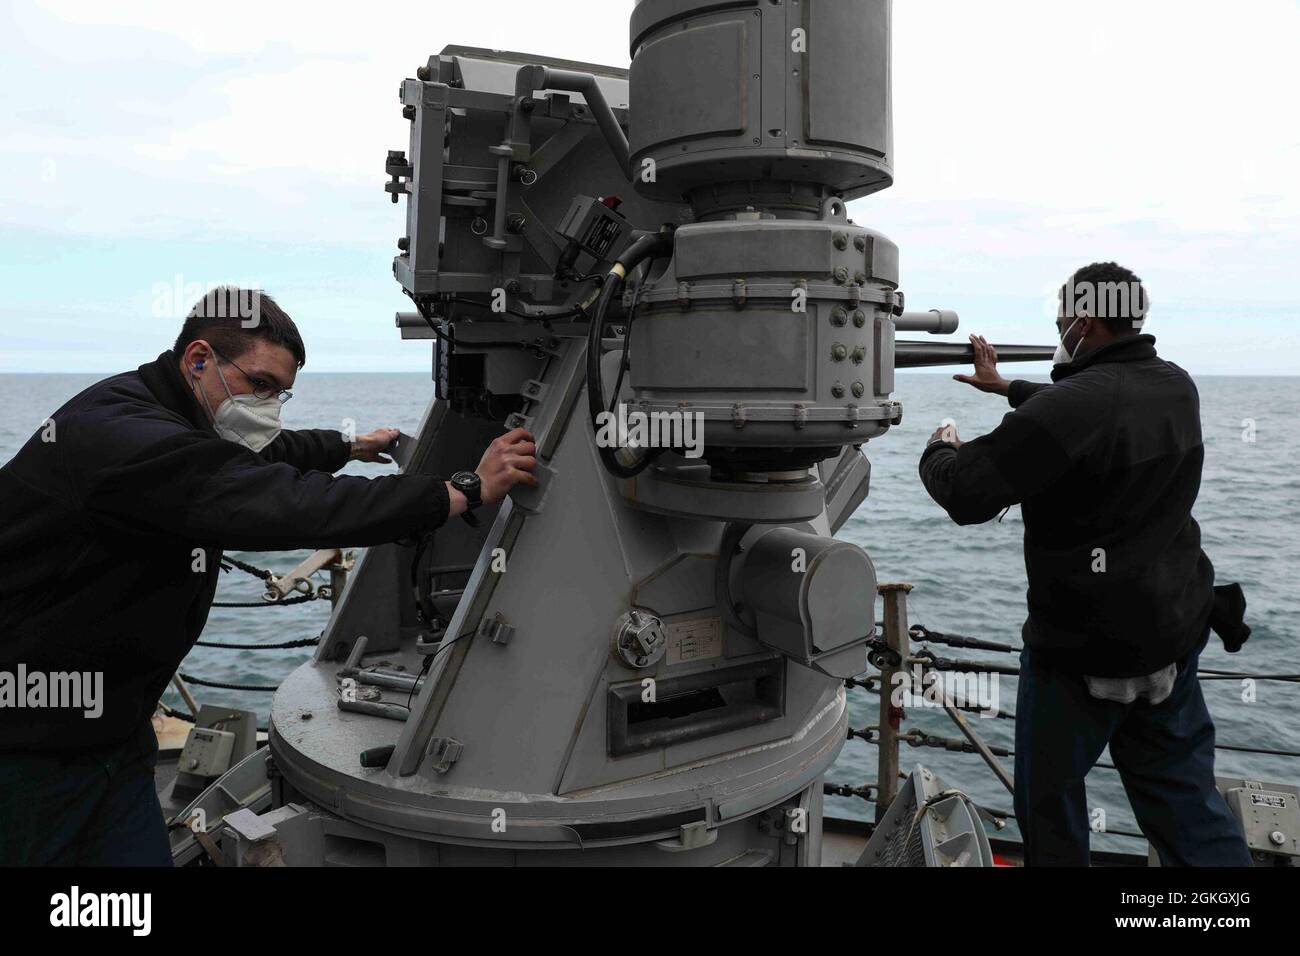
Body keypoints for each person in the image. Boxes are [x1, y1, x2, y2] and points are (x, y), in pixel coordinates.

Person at [0, 287, 537, 865]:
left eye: (281, 393)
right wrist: (459, 492)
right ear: (199, 359)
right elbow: (277, 502)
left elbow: (258, 454)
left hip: (113, 730)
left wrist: (348, 445)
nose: (270, 405)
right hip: (30, 745)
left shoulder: (166, 411)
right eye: (260, 386)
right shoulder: (124, 438)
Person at [918, 262, 1251, 866]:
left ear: (1084, 322)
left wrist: (940, 446)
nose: (1058, 333)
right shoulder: (1176, 385)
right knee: (1188, 810)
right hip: (1170, 639)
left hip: (1081, 657)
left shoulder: (1079, 404)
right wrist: (1007, 388)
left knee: (1050, 809)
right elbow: (1092, 408)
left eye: (1060, 323)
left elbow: (968, 495)